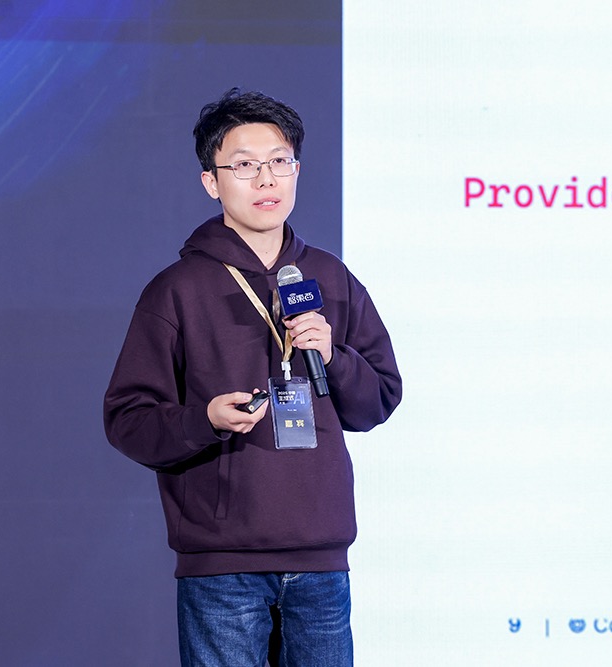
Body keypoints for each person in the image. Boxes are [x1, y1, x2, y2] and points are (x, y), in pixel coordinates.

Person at [104, 88, 401, 666]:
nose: (266, 179)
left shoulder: (331, 278)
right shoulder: (176, 290)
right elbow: (127, 419)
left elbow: (379, 399)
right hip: (223, 565)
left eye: (279, 161)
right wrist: (204, 420)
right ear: (211, 182)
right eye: (243, 165)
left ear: (297, 170)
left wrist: (333, 356)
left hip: (321, 558)